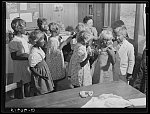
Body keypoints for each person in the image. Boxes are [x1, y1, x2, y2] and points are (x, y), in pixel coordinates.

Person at [8, 17, 31, 98]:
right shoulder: (14, 41)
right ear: (18, 28)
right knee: (19, 84)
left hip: (26, 65)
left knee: (27, 83)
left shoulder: (24, 38)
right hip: (19, 66)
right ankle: (18, 100)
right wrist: (28, 57)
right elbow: (13, 57)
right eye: (24, 26)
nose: (25, 28)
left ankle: (27, 99)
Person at [46, 22, 72, 91]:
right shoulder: (53, 40)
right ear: (56, 30)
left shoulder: (52, 38)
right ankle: (54, 89)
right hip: (54, 61)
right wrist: (65, 43)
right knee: (55, 76)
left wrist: (60, 41)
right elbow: (56, 52)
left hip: (54, 60)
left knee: (56, 75)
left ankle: (55, 87)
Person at [28, 30, 54, 96]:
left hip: (44, 69)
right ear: (36, 41)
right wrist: (41, 75)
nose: (44, 41)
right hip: (40, 73)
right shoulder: (33, 53)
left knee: (47, 88)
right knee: (41, 89)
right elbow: (32, 67)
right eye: (42, 39)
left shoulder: (39, 48)